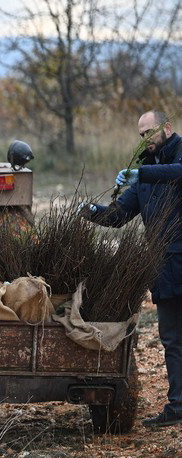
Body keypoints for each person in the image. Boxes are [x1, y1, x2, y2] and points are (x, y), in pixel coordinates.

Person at [79, 110, 182, 428]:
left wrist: (142, 175)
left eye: (149, 133)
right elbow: (118, 216)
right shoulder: (145, 175)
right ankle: (179, 406)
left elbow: (178, 172)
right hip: (165, 268)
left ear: (166, 128)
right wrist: (89, 209)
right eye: (141, 136)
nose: (146, 140)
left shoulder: (170, 162)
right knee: (173, 340)